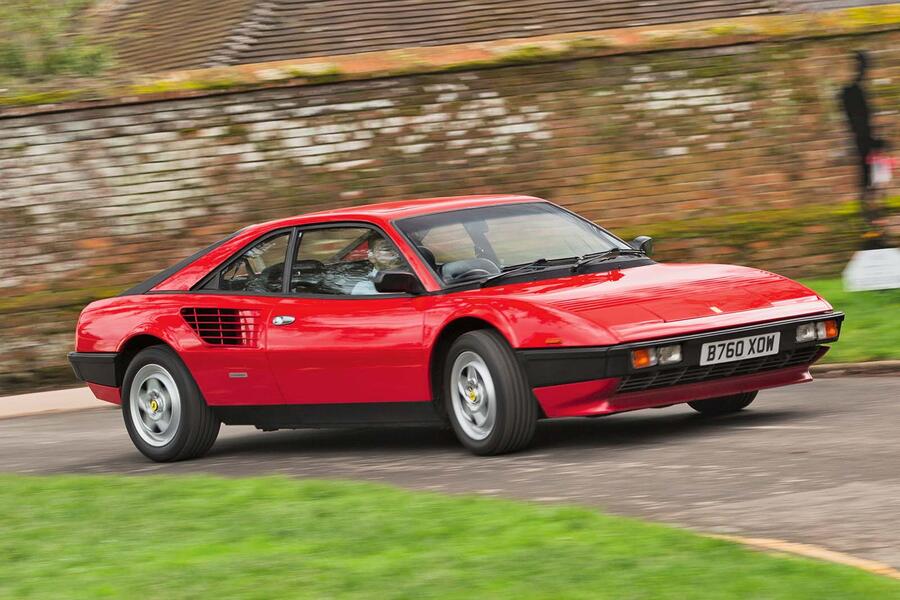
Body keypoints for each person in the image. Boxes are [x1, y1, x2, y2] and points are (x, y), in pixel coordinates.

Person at [840, 51, 890, 248]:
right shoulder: (851, 92)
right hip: (864, 146)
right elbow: (860, 125)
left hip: (867, 146)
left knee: (873, 186)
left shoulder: (853, 91)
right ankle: (872, 230)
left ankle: (874, 228)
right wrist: (873, 143)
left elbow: (864, 124)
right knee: (869, 187)